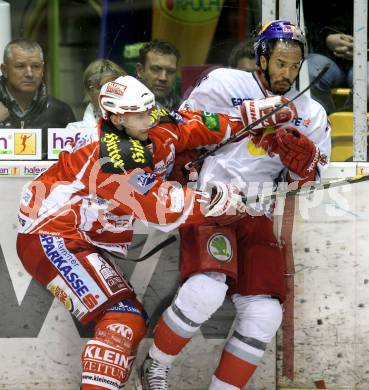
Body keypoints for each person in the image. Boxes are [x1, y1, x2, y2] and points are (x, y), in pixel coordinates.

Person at [15, 74, 268, 389]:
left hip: (78, 238)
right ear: (117, 118)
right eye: (139, 113)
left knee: (128, 319)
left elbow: (192, 124)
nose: (149, 117)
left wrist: (249, 117)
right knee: (122, 319)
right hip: (50, 236)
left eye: (150, 109)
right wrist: (214, 202)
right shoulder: (109, 159)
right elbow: (160, 207)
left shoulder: (149, 122)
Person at [139, 20, 331, 390]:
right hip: (213, 204)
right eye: (279, 63)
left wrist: (302, 162)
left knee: (265, 313)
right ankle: (155, 367)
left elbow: (313, 178)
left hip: (257, 212)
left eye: (294, 66)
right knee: (206, 290)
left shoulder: (312, 112)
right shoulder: (226, 84)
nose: (286, 74)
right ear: (261, 58)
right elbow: (180, 133)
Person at [0, 38, 76, 153]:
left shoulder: (60, 111)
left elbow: (74, 162)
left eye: (35, 66)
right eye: (20, 66)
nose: (29, 74)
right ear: (4, 70)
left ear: (42, 70)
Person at [304, 1, 365, 113]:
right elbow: (304, 27)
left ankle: (350, 123)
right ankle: (323, 123)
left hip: (365, 59)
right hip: (325, 56)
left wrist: (364, 48)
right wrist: (326, 39)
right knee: (308, 72)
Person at [67, 58, 127, 130]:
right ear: (88, 93)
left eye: (111, 87)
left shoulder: (139, 130)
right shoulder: (73, 132)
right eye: (99, 87)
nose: (105, 94)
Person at [136, 39, 181, 110]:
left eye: (170, 71)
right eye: (155, 69)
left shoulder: (182, 108)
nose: (163, 78)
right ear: (140, 70)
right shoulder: (123, 104)